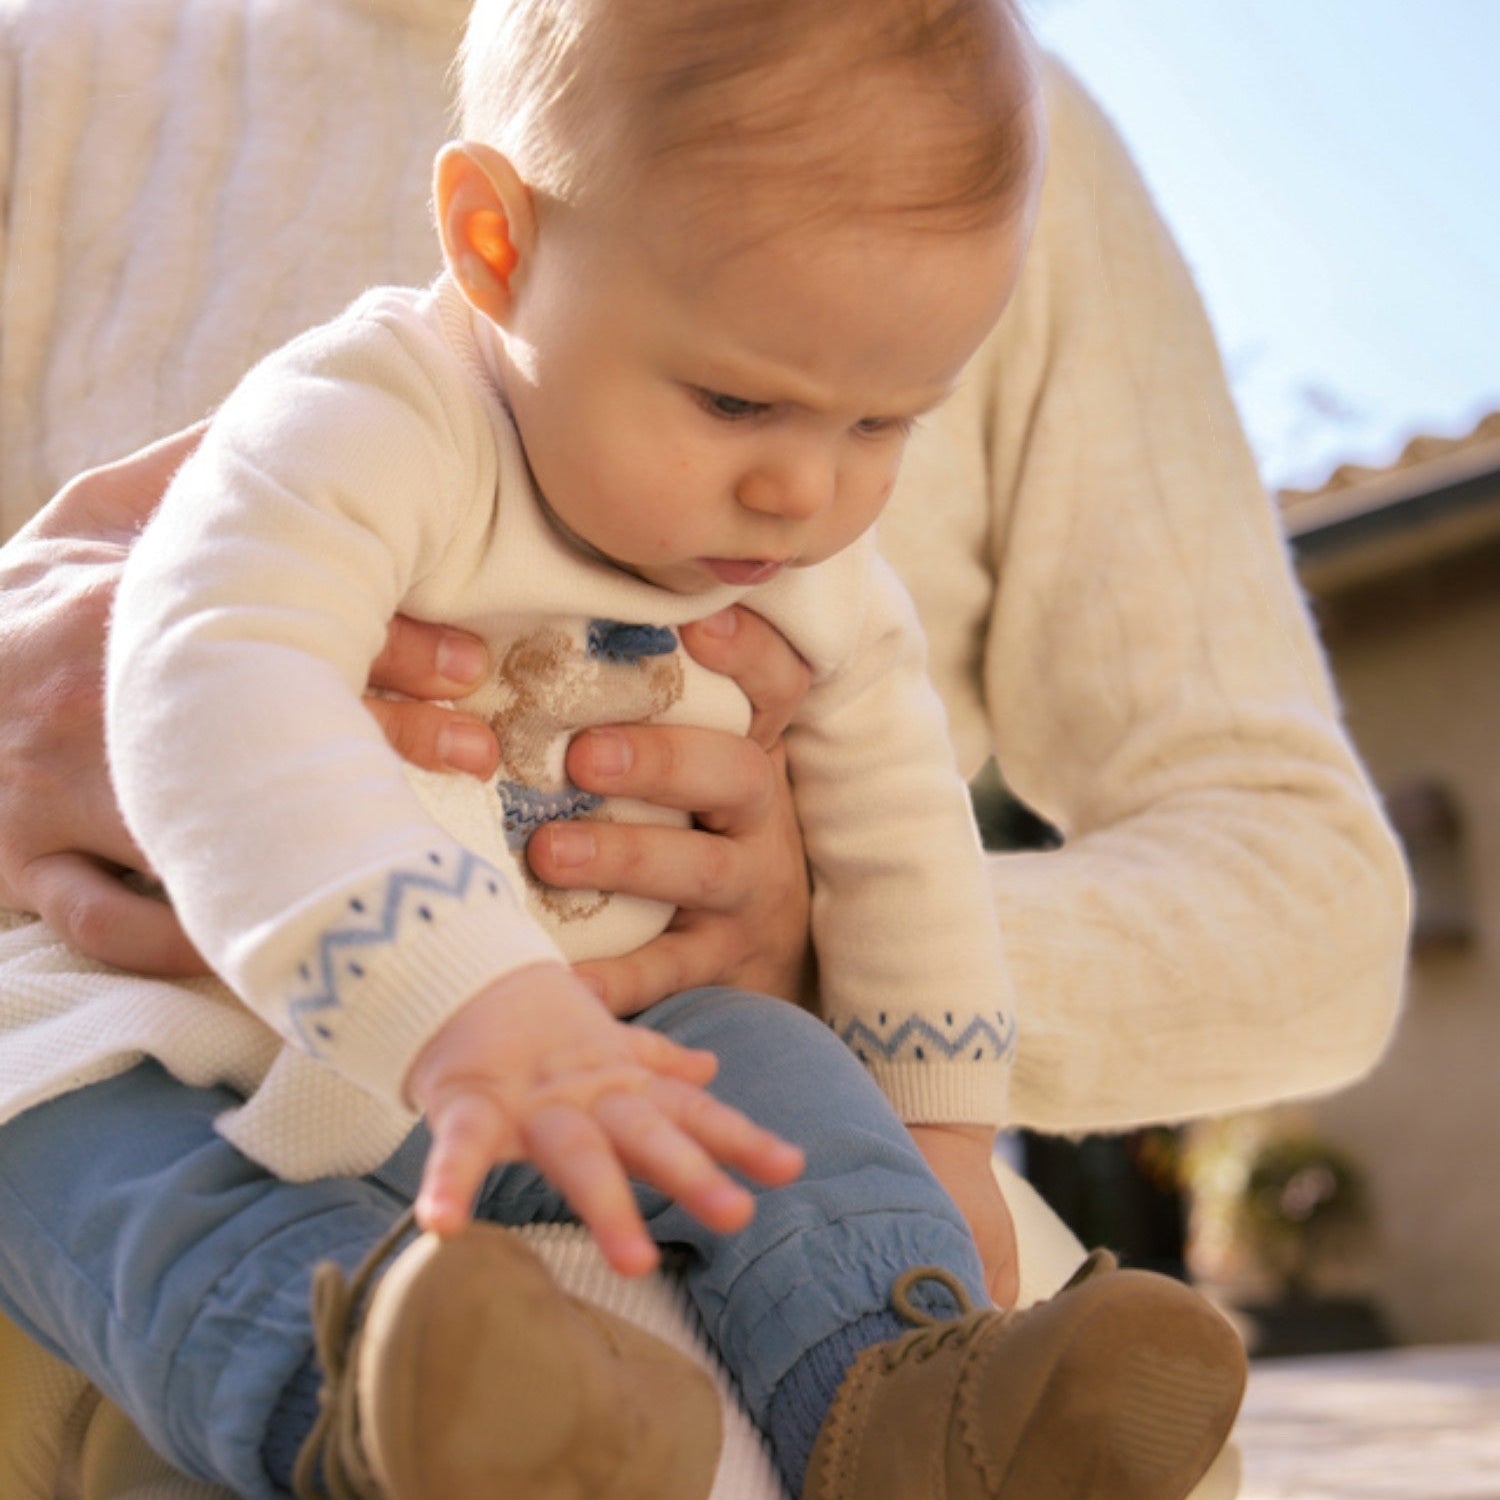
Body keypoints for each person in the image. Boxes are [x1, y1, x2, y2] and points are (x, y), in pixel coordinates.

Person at [0, 0, 1409, 1496]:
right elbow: (219, 669)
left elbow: (903, 830)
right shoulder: (366, 412)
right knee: (55, 1142)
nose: (805, 489)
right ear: (492, 247)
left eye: (891, 423)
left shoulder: (808, 537)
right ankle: (362, 1387)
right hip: (204, 1032)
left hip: (610, 1061)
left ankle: (905, 1387)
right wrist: (461, 997)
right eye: (737, 400)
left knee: (777, 1079)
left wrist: (925, 1118)